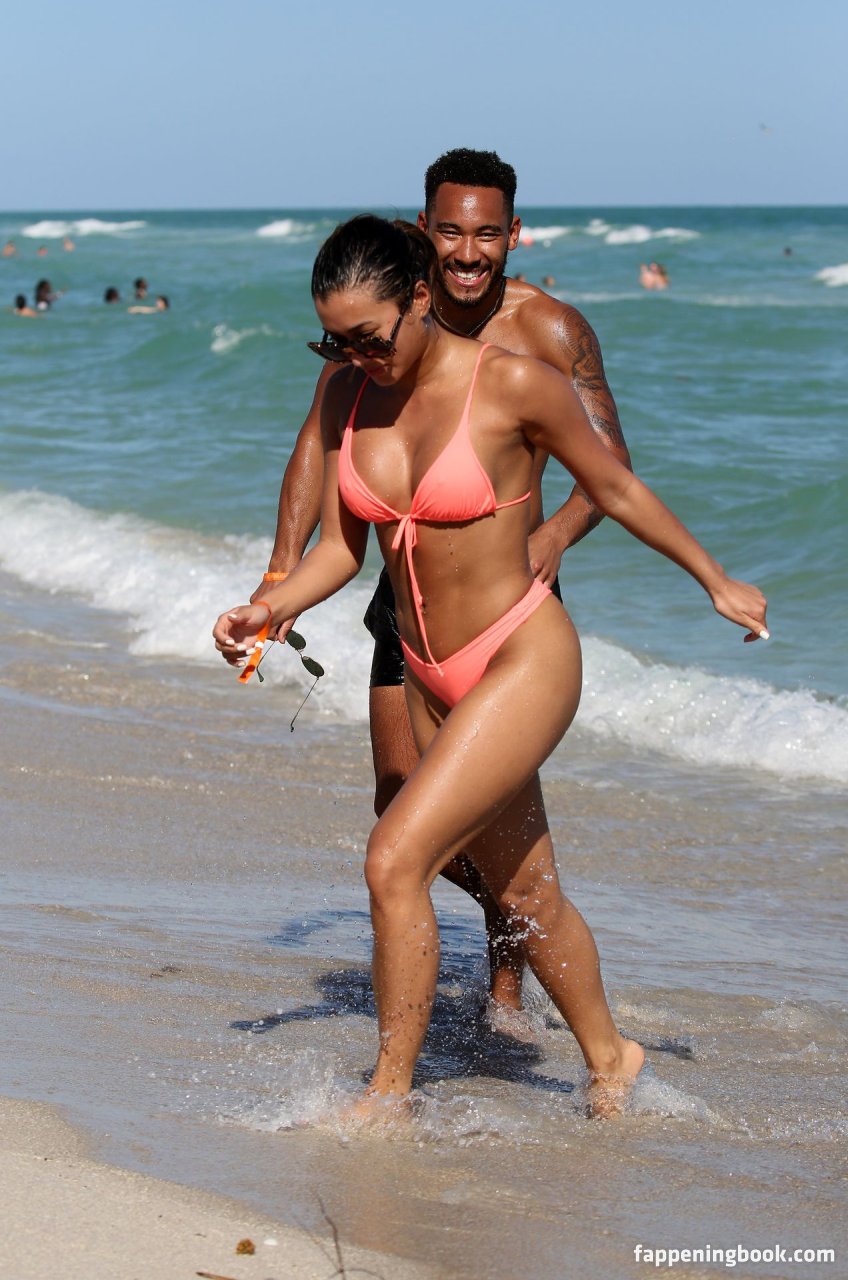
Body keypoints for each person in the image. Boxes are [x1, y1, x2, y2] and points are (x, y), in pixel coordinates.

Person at [213, 215, 768, 1119]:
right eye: (335, 341)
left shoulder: (512, 383)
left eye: (370, 337)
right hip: (427, 671)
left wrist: (716, 580)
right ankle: (612, 1057)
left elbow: (614, 484)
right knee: (525, 891)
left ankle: (387, 1095)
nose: (356, 357)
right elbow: (341, 551)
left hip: (520, 654)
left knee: (394, 860)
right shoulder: (349, 393)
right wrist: (269, 609)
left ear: (419, 298)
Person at [243, 150, 633, 1030]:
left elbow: (611, 468)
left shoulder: (549, 330)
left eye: (486, 233)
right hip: (403, 598)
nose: (468, 252)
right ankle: (510, 916)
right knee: (400, 803)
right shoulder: (372, 332)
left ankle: (508, 980)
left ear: (513, 234)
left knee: (469, 816)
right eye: (450, 232)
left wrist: (552, 539)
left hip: (508, 607)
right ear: (424, 234)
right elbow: (317, 449)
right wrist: (278, 577)